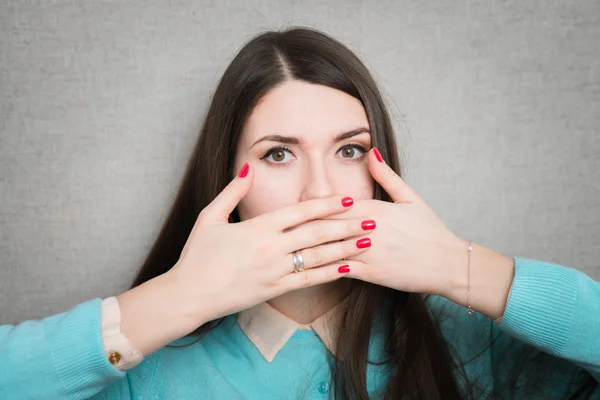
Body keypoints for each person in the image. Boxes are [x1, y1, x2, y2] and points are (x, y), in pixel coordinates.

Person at [0, 27, 598, 400]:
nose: (319, 192)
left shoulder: (472, 345)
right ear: (225, 175)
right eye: (279, 154)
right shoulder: (142, 369)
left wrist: (465, 270)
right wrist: (178, 298)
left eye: (349, 150)